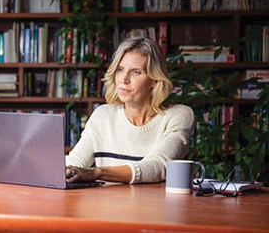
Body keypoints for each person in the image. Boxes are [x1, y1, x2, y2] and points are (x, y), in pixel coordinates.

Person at [65, 36, 195, 184]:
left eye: (136, 72)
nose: (124, 79)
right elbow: (75, 163)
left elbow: (157, 166)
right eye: (120, 69)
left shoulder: (179, 115)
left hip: (154, 206)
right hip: (105, 206)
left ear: (154, 80)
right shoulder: (103, 115)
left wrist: (97, 173)